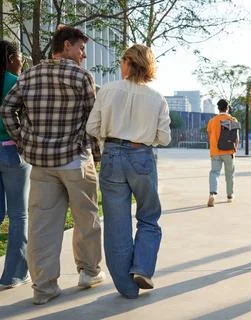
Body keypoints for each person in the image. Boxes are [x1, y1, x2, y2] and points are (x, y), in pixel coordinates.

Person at [1, 26, 105, 305]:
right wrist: (96, 156)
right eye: (81, 48)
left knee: (41, 226)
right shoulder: (82, 76)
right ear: (67, 45)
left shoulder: (30, 74)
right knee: (87, 220)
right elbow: (92, 121)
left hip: (41, 165)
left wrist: (23, 141)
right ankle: (88, 272)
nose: (83, 55)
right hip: (75, 160)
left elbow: (6, 109)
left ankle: (44, 288)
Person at [86, 44, 171, 299]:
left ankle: (127, 288)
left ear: (127, 63)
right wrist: (142, 138)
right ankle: (143, 268)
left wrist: (109, 136)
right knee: (148, 215)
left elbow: (92, 126)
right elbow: (164, 138)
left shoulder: (108, 90)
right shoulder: (157, 98)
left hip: (112, 155)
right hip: (141, 156)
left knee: (116, 224)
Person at [0, 40, 31, 290]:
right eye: (21, 57)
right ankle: (14, 275)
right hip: (12, 153)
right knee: (19, 214)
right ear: (11, 57)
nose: (23, 62)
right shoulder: (15, 83)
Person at [206, 99, 238, 207]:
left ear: (218, 108)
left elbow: (209, 136)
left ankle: (212, 194)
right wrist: (235, 149)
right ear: (227, 108)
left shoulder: (212, 121)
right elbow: (236, 137)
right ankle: (229, 196)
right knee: (229, 174)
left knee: (214, 172)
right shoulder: (232, 120)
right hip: (229, 151)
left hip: (215, 151)